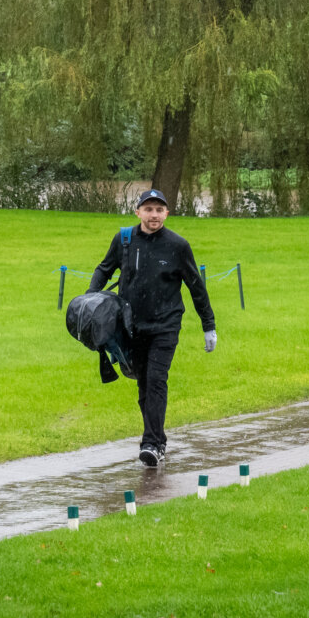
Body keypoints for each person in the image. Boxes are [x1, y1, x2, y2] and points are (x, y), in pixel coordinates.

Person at [88, 188, 216, 466]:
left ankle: (153, 444)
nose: (154, 215)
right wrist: (91, 299)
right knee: (144, 385)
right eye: (148, 209)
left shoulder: (178, 246)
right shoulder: (124, 240)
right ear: (138, 212)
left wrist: (209, 325)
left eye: (159, 210)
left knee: (157, 380)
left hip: (165, 326)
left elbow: (196, 287)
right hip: (132, 326)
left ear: (166, 213)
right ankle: (154, 438)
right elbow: (103, 269)